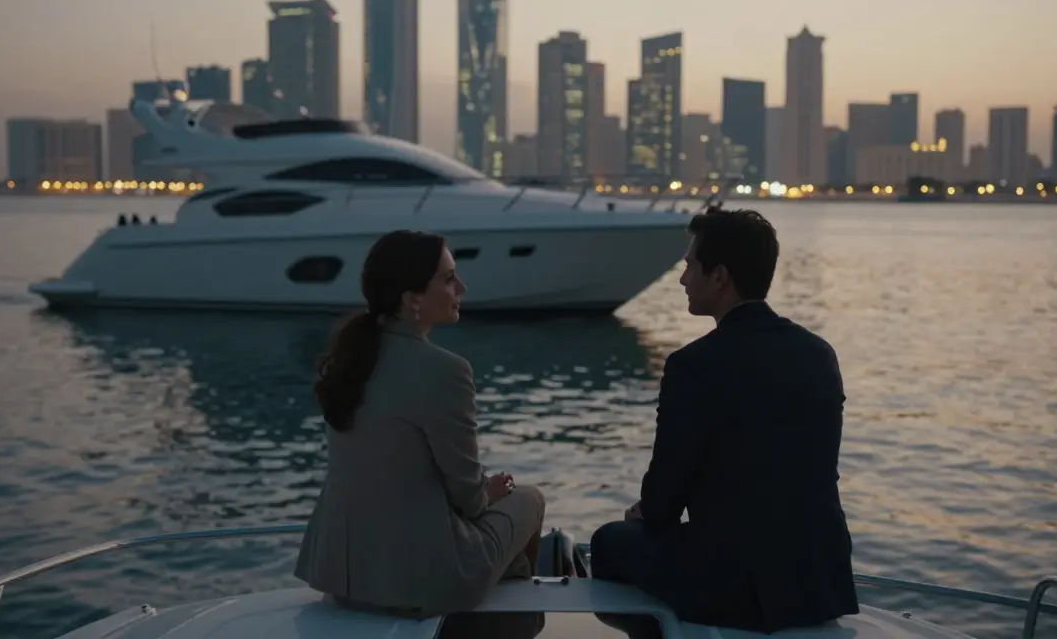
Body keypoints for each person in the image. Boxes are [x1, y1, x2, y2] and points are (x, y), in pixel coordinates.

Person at [590, 207, 859, 634]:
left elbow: (661, 506)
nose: (682, 279)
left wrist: (644, 515)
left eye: (690, 267)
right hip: (818, 580)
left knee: (609, 541)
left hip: (736, 587)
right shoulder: (819, 355)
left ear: (719, 277)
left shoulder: (693, 366)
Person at [294, 229, 546, 621]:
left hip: (344, 578)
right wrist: (490, 492)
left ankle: (507, 586)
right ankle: (518, 625)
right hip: (418, 583)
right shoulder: (445, 370)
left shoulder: (351, 358)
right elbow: (468, 497)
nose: (461, 286)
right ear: (412, 299)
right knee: (529, 499)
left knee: (499, 539)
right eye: (448, 279)